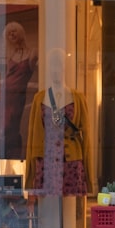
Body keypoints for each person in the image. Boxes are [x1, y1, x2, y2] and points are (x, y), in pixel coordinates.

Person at [24, 48, 93, 196]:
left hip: (72, 163)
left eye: (59, 65)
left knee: (69, 208)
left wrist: (89, 176)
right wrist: (30, 178)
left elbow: (86, 138)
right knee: (49, 210)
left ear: (65, 68)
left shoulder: (78, 98)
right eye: (52, 66)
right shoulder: (40, 98)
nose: (55, 70)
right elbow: (33, 137)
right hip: (46, 161)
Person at [4, 21, 37, 159]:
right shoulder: (9, 55)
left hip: (19, 97)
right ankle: (8, 156)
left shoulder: (32, 53)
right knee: (5, 128)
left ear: (21, 32)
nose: (12, 34)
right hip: (6, 96)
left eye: (14, 31)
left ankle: (16, 156)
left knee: (14, 126)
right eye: (9, 32)